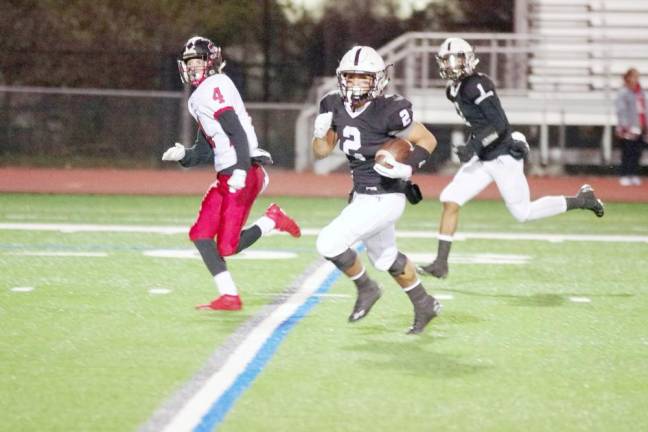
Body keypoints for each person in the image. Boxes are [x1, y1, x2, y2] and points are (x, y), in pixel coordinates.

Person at [418, 38, 605, 279]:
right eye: (448, 60)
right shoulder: (452, 90)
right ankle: (441, 264)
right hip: (484, 156)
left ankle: (583, 200)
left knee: (523, 213)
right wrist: (474, 146)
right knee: (450, 199)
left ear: (469, 59)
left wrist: (473, 145)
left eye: (457, 59)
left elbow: (498, 124)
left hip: (503, 155)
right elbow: (480, 123)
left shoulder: (478, 84)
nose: (452, 65)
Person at [162, 36, 301, 311]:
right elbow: (205, 150)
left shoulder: (216, 85)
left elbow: (235, 130)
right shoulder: (198, 96)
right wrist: (183, 156)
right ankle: (229, 296)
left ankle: (273, 220)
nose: (192, 68)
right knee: (201, 234)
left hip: (244, 170)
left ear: (211, 61)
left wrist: (239, 170)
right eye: (189, 63)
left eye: (198, 62)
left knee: (227, 246)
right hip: (228, 173)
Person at [312, 45, 441, 334]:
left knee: (328, 242)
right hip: (361, 194)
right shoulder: (332, 104)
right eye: (351, 77)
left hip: (387, 195)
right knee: (386, 258)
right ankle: (424, 304)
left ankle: (367, 288)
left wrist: (408, 167)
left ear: (378, 80)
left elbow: (427, 140)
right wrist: (319, 133)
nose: (356, 84)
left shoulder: (390, 110)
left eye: (363, 78)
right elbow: (321, 151)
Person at [615, 67, 647, 186]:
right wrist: (624, 126)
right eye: (633, 76)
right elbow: (621, 110)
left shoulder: (641, 92)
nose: (635, 79)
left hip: (640, 126)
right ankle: (624, 174)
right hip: (628, 127)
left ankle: (633, 173)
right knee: (627, 151)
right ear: (628, 78)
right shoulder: (623, 92)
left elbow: (644, 109)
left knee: (637, 152)